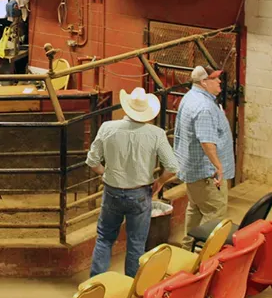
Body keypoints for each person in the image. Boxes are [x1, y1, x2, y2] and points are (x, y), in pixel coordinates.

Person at [86, 87, 178, 277]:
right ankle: (131, 289)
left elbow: (92, 161)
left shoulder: (107, 128)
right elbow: (172, 167)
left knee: (104, 238)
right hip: (140, 193)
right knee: (136, 243)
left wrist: (106, 174)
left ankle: (94, 285)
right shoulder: (156, 134)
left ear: (127, 107)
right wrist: (159, 182)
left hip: (112, 191)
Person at [173, 65, 236, 246]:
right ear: (203, 82)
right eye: (215, 78)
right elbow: (206, 141)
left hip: (194, 172)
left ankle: (188, 249)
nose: (219, 81)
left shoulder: (190, 97)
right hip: (206, 174)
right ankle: (206, 257)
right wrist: (218, 166)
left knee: (196, 209)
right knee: (214, 212)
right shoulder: (204, 107)